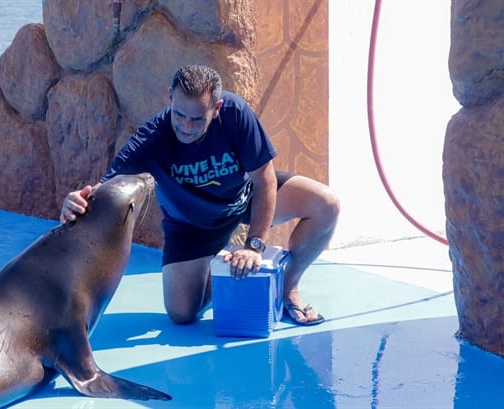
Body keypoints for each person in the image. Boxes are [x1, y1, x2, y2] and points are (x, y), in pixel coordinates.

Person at [60, 64, 339, 326]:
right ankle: (227, 264)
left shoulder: (235, 114)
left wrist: (255, 245)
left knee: (326, 205)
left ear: (216, 108)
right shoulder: (151, 139)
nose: (186, 126)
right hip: (192, 226)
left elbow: (264, 178)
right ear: (170, 98)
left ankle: (287, 288)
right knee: (182, 313)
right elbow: (105, 191)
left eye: (197, 119)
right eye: (179, 115)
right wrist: (76, 202)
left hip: (243, 200)